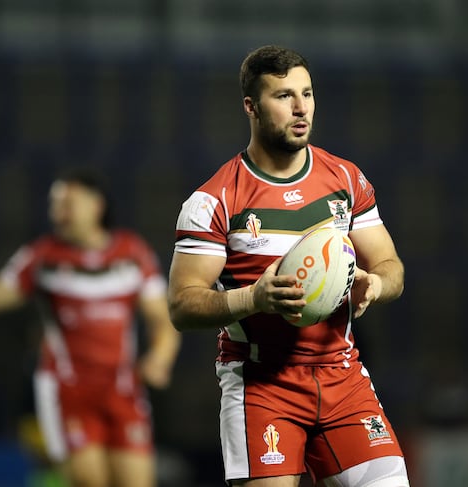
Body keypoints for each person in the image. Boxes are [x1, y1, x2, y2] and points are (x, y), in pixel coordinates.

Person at [166, 45, 410, 487]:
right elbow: (182, 306)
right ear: (251, 107)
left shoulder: (346, 180)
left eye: (308, 93)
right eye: (283, 96)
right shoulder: (214, 201)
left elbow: (391, 264)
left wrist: (376, 284)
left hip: (342, 375)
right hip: (262, 384)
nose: (301, 108)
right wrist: (253, 298)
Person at [0, 168, 181, 487]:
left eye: (67, 203)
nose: (57, 212)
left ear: (96, 205)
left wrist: (161, 356)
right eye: (54, 204)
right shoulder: (43, 258)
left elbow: (161, 316)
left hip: (122, 386)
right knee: (90, 481)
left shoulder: (132, 253)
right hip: (67, 389)